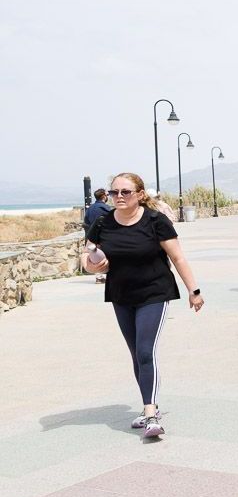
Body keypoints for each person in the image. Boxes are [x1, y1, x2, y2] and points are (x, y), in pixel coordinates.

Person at [83, 172, 204, 439]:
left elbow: (178, 258)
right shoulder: (103, 222)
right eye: (115, 193)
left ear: (139, 194)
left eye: (125, 192)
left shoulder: (155, 221)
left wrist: (193, 291)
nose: (119, 197)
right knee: (136, 352)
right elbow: (87, 256)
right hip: (121, 295)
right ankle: (149, 405)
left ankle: (151, 415)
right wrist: (93, 265)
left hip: (154, 292)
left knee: (146, 352)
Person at [83, 189, 113, 284]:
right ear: (104, 196)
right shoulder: (105, 208)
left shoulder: (90, 209)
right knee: (103, 257)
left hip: (91, 237)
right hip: (103, 237)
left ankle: (99, 277)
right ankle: (103, 276)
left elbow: (86, 222)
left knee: (94, 257)